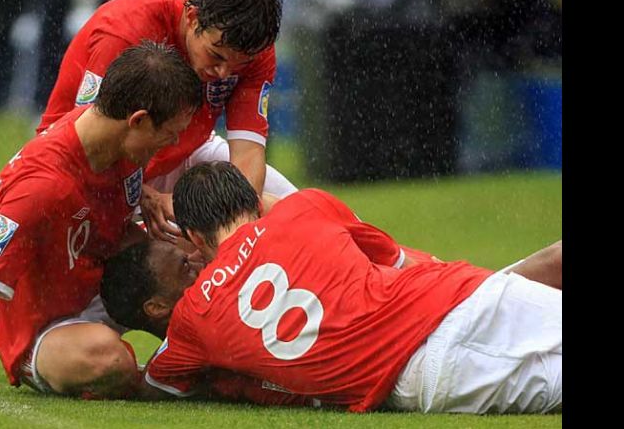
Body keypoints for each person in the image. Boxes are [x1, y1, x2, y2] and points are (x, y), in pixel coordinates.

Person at [101, 161, 561, 414]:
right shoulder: (305, 207)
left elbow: (152, 385)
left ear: (196, 238)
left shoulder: (193, 320)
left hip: (427, 377)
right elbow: (396, 259)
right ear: (252, 201)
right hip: (456, 298)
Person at [0, 41, 202, 406]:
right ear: (139, 120)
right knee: (105, 358)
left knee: (201, 259)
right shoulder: (42, 187)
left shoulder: (117, 143)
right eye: (169, 134)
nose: (172, 144)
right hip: (47, 330)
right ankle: (175, 377)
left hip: (101, 285)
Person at [35, 0, 297, 242]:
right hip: (83, 169)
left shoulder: (255, 48)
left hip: (185, 152)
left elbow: (247, 155)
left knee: (301, 216)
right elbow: (89, 144)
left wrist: (236, 228)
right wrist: (142, 193)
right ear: (192, 17)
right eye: (215, 56)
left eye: (238, 65)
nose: (224, 73)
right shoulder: (127, 28)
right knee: (164, 266)